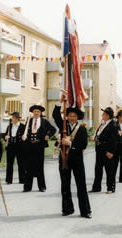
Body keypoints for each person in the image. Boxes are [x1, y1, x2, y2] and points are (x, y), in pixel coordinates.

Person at [53, 91, 91, 219]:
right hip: (64, 160)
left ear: (77, 117)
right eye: (70, 115)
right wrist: (60, 100)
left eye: (74, 116)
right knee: (65, 185)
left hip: (77, 160)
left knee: (81, 185)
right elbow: (55, 115)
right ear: (67, 116)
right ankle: (67, 209)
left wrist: (69, 143)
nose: (72, 118)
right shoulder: (63, 125)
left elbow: (83, 144)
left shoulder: (82, 128)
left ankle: (85, 211)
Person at [22, 104, 56, 192]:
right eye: (35, 111)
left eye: (38, 112)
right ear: (32, 112)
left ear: (40, 113)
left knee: (39, 167)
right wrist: (24, 136)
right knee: (28, 166)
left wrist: (48, 135)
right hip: (29, 146)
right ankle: (27, 187)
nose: (36, 113)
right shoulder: (29, 121)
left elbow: (53, 129)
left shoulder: (44, 121)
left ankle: (42, 187)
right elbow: (25, 131)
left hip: (39, 146)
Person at [91, 107, 118, 194]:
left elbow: (115, 140)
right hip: (99, 149)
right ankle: (96, 187)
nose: (102, 115)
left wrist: (111, 151)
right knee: (98, 169)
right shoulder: (102, 124)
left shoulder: (113, 125)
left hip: (107, 150)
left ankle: (110, 188)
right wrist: (95, 138)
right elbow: (99, 134)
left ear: (107, 115)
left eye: (104, 114)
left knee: (109, 170)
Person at [4, 112, 26, 184]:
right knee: (9, 163)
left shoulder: (23, 126)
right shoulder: (9, 126)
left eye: (13, 118)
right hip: (11, 146)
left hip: (20, 147)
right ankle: (9, 179)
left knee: (21, 163)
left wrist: (24, 138)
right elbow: (6, 134)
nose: (12, 119)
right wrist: (6, 137)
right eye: (12, 118)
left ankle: (22, 179)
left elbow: (25, 136)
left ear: (17, 118)